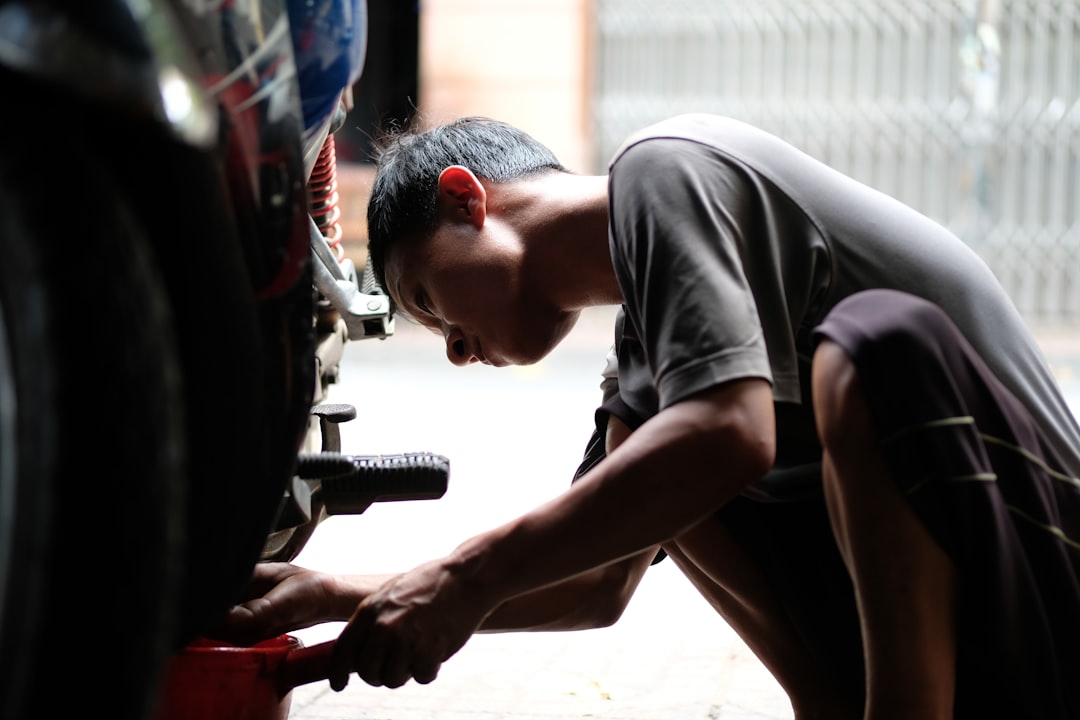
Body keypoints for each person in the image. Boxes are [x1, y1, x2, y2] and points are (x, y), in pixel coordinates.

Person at [218, 114, 1080, 719]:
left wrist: (463, 578)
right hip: (977, 642)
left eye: (428, 301)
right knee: (654, 453)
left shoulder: (669, 165)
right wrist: (339, 595)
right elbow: (600, 581)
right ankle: (828, 707)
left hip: (1047, 583)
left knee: (871, 345)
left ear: (465, 200)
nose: (453, 350)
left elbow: (728, 435)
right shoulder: (651, 350)